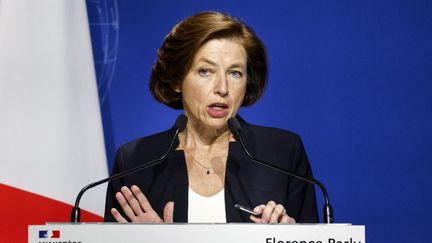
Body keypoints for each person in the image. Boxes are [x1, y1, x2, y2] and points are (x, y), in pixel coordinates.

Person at [104, 11, 318, 224]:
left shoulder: (282, 153)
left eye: (235, 73)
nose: (222, 88)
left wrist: (291, 235)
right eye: (205, 71)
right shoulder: (136, 160)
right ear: (177, 80)